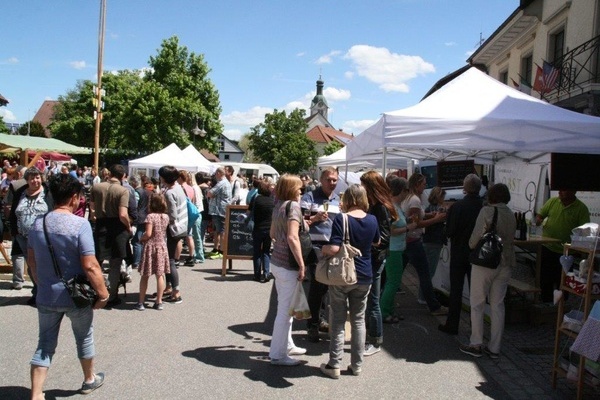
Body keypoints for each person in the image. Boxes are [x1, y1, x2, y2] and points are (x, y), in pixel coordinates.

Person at [27, 174, 109, 398]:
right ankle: (89, 379)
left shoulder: (38, 224)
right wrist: (102, 293)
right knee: (84, 337)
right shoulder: (80, 225)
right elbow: (90, 265)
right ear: (74, 198)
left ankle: (36, 393)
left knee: (44, 343)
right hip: (76, 296)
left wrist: (40, 283)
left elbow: (31, 261)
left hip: (46, 295)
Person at [319, 184, 380, 379]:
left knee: (337, 321)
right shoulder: (372, 219)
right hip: (364, 274)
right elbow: (376, 241)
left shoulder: (342, 218)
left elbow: (335, 248)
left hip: (343, 275)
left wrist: (324, 250)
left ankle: (334, 364)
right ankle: (357, 365)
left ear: (348, 199)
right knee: (358, 320)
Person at [460, 183, 516, 359]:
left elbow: (475, 237)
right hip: (506, 262)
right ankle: (495, 347)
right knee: (498, 305)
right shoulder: (511, 214)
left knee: (477, 303)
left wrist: (471, 246)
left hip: (486, 262)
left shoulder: (487, 211)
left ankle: (476, 343)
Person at [268, 174, 308, 366]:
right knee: (284, 312)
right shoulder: (293, 207)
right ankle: (277, 355)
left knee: (285, 308)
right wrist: (301, 264)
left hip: (276, 261)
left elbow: (273, 234)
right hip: (288, 265)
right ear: (292, 189)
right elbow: (293, 237)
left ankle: (287, 345)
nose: (301, 190)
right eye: (299, 188)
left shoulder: (278, 205)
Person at [300, 167, 341, 342]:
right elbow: (300, 223)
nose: (332, 183)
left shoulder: (339, 200)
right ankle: (313, 325)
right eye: (329, 180)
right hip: (315, 248)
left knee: (330, 289)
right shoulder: (309, 197)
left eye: (334, 180)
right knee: (317, 288)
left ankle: (323, 319)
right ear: (321, 180)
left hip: (333, 248)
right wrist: (315, 218)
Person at [439, 174, 483, 335]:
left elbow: (449, 231)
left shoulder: (457, 207)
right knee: (476, 293)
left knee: (456, 291)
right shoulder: (483, 206)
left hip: (459, 253)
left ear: (465, 188)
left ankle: (452, 325)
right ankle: (476, 328)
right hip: (477, 255)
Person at [359, 170, 397, 356]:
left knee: (373, 301)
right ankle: (370, 338)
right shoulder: (375, 205)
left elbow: (384, 238)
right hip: (373, 258)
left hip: (375, 259)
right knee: (370, 300)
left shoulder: (380, 207)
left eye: (364, 186)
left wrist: (366, 248)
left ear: (371, 187)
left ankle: (375, 340)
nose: (362, 189)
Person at [401, 173, 448, 316]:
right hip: (413, 241)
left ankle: (382, 300)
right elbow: (416, 223)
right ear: (416, 185)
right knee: (425, 274)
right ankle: (434, 306)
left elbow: (414, 218)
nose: (425, 187)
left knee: (396, 274)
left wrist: (430, 215)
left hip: (407, 240)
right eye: (423, 184)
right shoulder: (414, 200)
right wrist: (436, 219)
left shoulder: (408, 198)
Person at [535, 190, 590, 303]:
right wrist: (539, 220)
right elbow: (539, 217)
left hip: (567, 252)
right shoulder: (553, 201)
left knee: (564, 281)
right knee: (545, 279)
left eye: (564, 189)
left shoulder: (581, 208)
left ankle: (561, 306)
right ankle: (546, 304)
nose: (560, 191)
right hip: (548, 247)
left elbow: (585, 231)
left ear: (573, 191)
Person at [89, 164, 131, 307]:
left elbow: (92, 210)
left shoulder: (96, 187)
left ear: (110, 173)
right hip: (117, 227)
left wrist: (96, 218)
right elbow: (123, 214)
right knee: (115, 264)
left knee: (97, 262)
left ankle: (96, 292)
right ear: (123, 176)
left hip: (101, 225)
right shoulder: (123, 190)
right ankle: (112, 295)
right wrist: (128, 227)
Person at [10, 167, 54, 303]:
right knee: (31, 265)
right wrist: (14, 232)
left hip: (43, 236)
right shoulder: (20, 193)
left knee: (43, 264)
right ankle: (37, 292)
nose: (35, 180)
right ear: (27, 180)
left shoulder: (48, 193)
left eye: (38, 177)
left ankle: (46, 292)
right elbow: (13, 212)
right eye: (32, 178)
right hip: (23, 236)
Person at [380, 177, 417, 324]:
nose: (407, 193)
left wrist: (407, 221)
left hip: (397, 248)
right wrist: (409, 227)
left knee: (393, 281)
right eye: (406, 190)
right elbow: (392, 230)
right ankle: (384, 312)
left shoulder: (397, 206)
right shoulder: (392, 207)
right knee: (393, 282)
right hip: (393, 249)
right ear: (400, 190)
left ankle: (389, 309)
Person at [135, 193, 171, 311]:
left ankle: (141, 302)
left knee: (145, 275)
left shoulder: (150, 217)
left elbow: (149, 233)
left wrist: (142, 239)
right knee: (160, 275)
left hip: (151, 247)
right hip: (161, 246)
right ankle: (159, 301)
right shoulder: (166, 217)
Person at [158, 166, 188, 304]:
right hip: (182, 227)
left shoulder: (170, 192)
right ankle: (169, 288)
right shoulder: (178, 187)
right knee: (169, 260)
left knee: (169, 260)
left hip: (173, 229)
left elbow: (173, 215)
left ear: (164, 178)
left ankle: (176, 292)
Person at [421, 186, 447, 304]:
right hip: (434, 242)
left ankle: (423, 295)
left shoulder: (428, 208)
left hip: (427, 240)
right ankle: (423, 297)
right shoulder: (439, 210)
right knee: (429, 271)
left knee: (426, 270)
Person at [249, 181, 274, 282]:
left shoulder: (256, 199)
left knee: (257, 252)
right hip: (269, 229)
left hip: (258, 228)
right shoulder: (272, 201)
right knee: (266, 251)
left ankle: (257, 274)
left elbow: (249, 212)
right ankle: (266, 273)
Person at [206, 167, 232, 259]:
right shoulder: (225, 182)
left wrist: (209, 192)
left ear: (219, 173)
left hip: (219, 211)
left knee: (222, 231)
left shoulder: (221, 183)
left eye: (216, 174)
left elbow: (210, 194)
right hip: (220, 210)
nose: (215, 176)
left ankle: (222, 251)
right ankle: (216, 249)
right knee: (218, 230)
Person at [176, 170, 196, 266]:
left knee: (179, 237)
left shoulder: (180, 188)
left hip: (182, 214)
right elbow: (193, 201)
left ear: (180, 178)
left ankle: (176, 258)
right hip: (190, 214)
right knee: (189, 236)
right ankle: (191, 256)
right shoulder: (191, 188)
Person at [191, 172, 205, 263]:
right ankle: (198, 254)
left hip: (196, 213)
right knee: (196, 235)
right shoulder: (197, 188)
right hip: (198, 212)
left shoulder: (194, 188)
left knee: (196, 235)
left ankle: (199, 256)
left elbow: (195, 202)